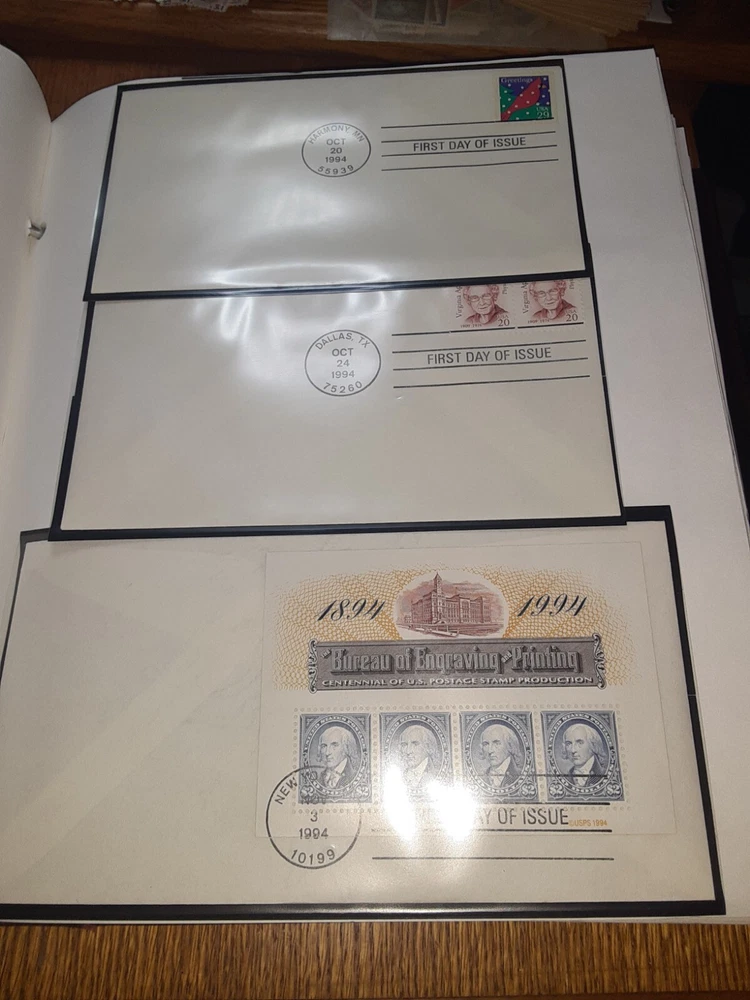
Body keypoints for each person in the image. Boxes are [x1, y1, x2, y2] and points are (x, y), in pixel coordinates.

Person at [478, 722, 522, 789]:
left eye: (497, 743)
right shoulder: (481, 777)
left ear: (509, 745)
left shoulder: (521, 775)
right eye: (486, 744)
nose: (490, 750)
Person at [398, 724, 440, 793]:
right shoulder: (398, 775)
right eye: (404, 745)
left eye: (415, 744)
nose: (408, 751)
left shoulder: (435, 772)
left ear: (427, 746)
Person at [317, 724, 357, 790]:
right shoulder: (320, 777)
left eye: (334, 745)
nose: (327, 753)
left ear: (345, 748)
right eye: (324, 746)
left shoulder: (353, 776)